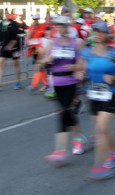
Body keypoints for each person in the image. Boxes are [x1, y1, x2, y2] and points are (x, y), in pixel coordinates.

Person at [78, 21, 115, 179]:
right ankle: (114, 152)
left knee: (101, 128)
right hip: (94, 94)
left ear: (108, 35)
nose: (98, 35)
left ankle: (103, 164)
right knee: (103, 130)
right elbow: (80, 69)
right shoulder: (87, 53)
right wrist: (79, 74)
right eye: (95, 31)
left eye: (101, 32)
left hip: (113, 94)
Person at [40, 16, 87, 166]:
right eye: (57, 26)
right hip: (56, 82)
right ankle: (79, 138)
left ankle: (59, 151)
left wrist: (76, 68)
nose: (60, 29)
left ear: (67, 26)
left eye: (62, 26)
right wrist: (47, 59)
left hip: (71, 81)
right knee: (67, 112)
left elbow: (82, 63)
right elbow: (40, 64)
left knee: (64, 112)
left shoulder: (76, 43)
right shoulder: (52, 43)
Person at [0, 13, 22, 90]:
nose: (5, 15)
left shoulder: (14, 23)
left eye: (7, 13)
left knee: (15, 63)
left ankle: (18, 82)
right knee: (1, 63)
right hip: (5, 46)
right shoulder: (2, 24)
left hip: (14, 47)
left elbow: (18, 34)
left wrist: (12, 44)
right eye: (4, 13)